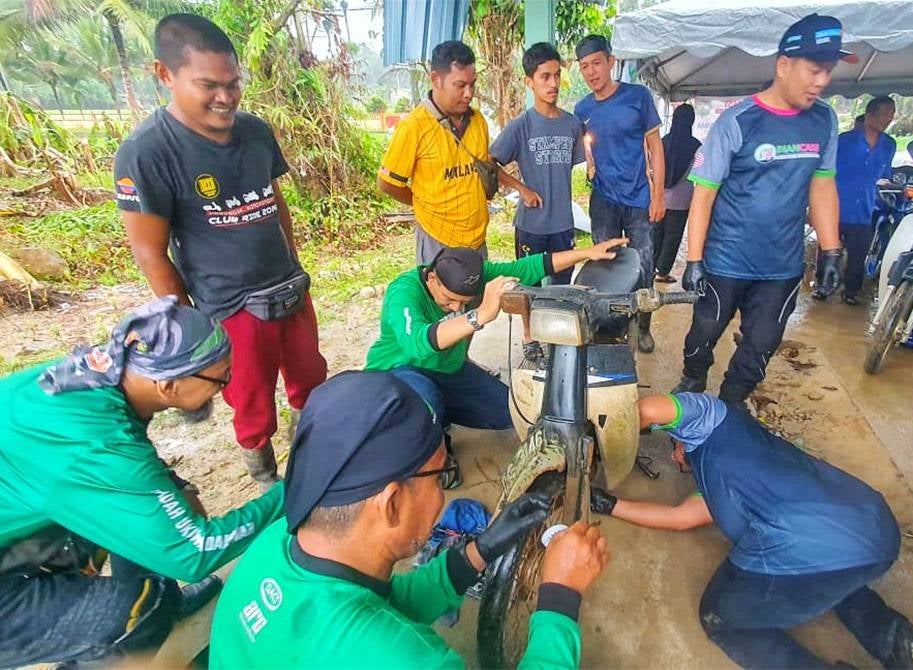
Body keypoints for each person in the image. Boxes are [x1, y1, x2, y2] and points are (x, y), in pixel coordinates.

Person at [209, 371, 609, 669]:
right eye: (439, 475)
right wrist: (560, 597)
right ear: (392, 503)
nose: (445, 490)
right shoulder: (407, 659)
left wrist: (481, 549)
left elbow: (387, 603)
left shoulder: (275, 545)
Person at [0, 297, 285, 668]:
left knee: (146, 518)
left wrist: (174, 484)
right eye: (220, 378)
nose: (223, 387)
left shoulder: (93, 376)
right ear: (168, 385)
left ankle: (163, 600)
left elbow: (133, 473)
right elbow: (195, 553)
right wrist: (287, 494)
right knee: (143, 609)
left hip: (21, 522)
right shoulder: (97, 447)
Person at [114, 14, 327, 488]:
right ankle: (265, 475)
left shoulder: (255, 132)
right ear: (165, 74)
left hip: (288, 287)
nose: (226, 97)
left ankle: (312, 450)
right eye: (208, 85)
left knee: (310, 377)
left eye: (233, 84)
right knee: (250, 400)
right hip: (231, 306)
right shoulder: (147, 152)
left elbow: (274, 202)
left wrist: (293, 263)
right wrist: (190, 327)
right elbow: (150, 253)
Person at [589, 392, 913, 670]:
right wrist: (610, 504)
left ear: (681, 437)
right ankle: (902, 642)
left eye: (673, 447)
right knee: (830, 577)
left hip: (803, 541)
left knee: (720, 618)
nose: (672, 457)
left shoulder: (707, 419)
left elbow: (647, 410)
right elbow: (678, 518)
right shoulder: (721, 484)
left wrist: (601, 438)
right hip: (874, 529)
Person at [673, 13, 848, 405]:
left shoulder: (824, 121)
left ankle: (731, 406)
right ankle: (693, 379)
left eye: (828, 71)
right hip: (725, 261)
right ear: (784, 65)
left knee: (761, 344)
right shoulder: (738, 121)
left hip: (781, 267)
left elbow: (822, 185)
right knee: (704, 331)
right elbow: (703, 195)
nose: (822, 81)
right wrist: (695, 261)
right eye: (814, 70)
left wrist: (831, 250)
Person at [365, 239, 626, 486]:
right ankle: (431, 451)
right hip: (399, 372)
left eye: (463, 303)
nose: (455, 307)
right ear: (432, 278)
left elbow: (531, 267)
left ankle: (437, 414)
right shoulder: (404, 292)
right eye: (449, 300)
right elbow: (418, 344)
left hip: (448, 369)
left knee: (511, 413)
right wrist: (479, 314)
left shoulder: (479, 276)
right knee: (425, 401)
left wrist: (587, 252)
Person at [379, 41, 530, 264]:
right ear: (435, 80)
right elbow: (387, 183)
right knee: (443, 289)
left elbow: (484, 167)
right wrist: (422, 204)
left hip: (477, 240)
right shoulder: (414, 127)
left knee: (479, 288)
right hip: (438, 241)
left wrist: (519, 188)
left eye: (472, 85)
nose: (468, 94)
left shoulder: (478, 121)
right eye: (460, 85)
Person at [490, 42, 585, 364]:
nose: (553, 83)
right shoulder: (521, 126)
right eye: (545, 76)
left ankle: (557, 337)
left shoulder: (572, 124)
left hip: (563, 224)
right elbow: (489, 164)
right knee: (528, 286)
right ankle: (530, 337)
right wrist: (522, 188)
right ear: (529, 81)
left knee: (561, 287)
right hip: (531, 225)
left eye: (557, 75)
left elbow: (578, 162)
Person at [575, 34, 665, 353]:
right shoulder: (582, 108)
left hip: (639, 197)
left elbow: (655, 147)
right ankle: (611, 328)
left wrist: (658, 195)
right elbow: (584, 145)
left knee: (643, 264)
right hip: (603, 200)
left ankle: (643, 325)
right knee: (606, 265)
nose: (591, 72)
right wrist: (590, 162)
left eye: (596, 63)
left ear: (611, 62)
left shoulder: (638, 97)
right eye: (584, 66)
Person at [835, 95, 896, 305]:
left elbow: (885, 175)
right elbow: (824, 173)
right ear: (869, 115)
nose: (887, 119)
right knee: (829, 250)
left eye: (891, 114)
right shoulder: (843, 141)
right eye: (884, 113)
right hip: (836, 205)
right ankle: (823, 286)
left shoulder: (889, 145)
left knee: (858, 254)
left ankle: (851, 292)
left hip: (865, 208)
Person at [653, 103, 701, 284]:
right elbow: (699, 174)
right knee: (672, 238)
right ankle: (662, 272)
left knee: (656, 235)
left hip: (660, 198)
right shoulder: (696, 146)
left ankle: (650, 268)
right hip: (682, 201)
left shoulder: (663, 142)